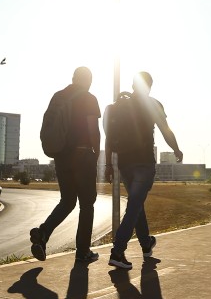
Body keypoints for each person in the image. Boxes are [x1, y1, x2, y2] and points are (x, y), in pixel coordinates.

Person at [104, 72, 183, 270]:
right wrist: (176, 149)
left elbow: (108, 136)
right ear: (150, 86)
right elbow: (165, 129)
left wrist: (107, 165)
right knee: (134, 206)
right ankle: (118, 251)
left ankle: (146, 244)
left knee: (136, 204)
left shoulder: (120, 105)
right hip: (143, 163)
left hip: (124, 164)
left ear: (132, 85)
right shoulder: (152, 104)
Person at [30, 67, 101, 264]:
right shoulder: (89, 98)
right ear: (88, 80)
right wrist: (96, 155)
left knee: (68, 201)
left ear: (72, 79)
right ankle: (83, 251)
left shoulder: (58, 96)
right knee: (87, 204)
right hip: (83, 155)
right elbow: (93, 130)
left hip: (61, 157)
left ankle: (43, 234)